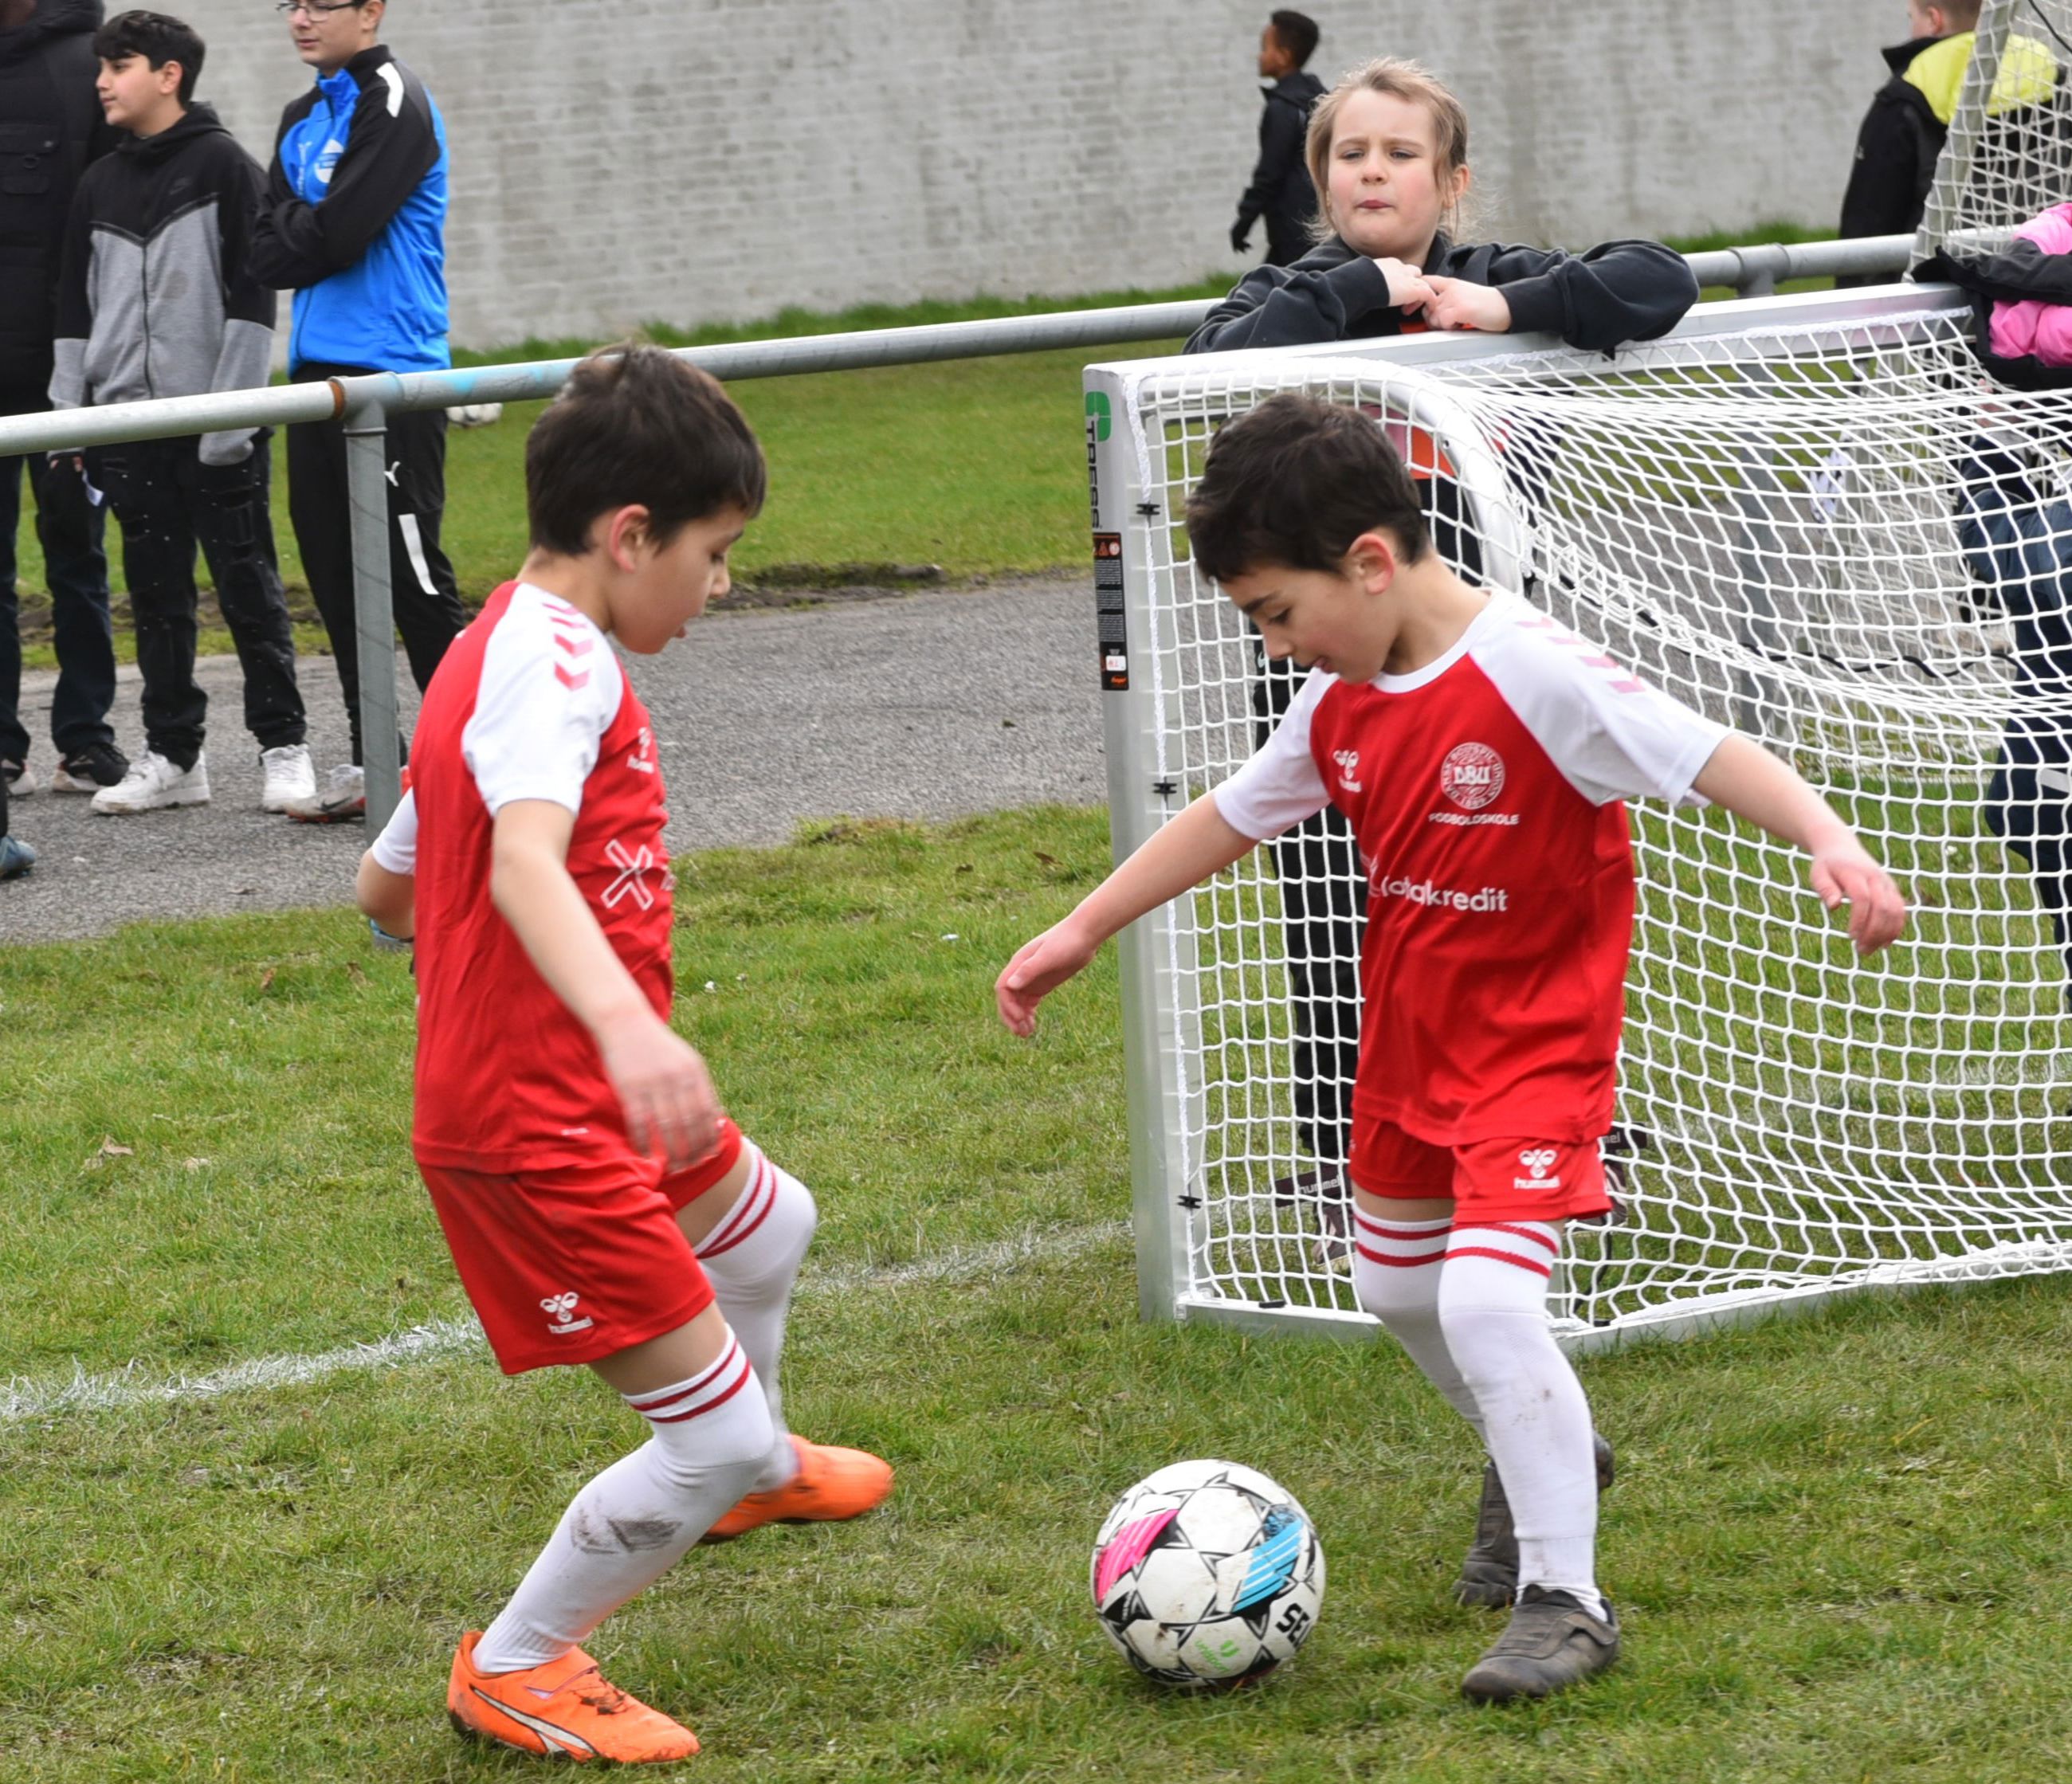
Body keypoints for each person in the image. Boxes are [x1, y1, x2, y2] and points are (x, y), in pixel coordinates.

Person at [995, 394, 1907, 1702]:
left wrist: (1831, 839)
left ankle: (1565, 1597)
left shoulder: (1535, 670)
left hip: (1538, 1049)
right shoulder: (1337, 700)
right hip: (1409, 1049)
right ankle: (1552, 1449)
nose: (1276, 641)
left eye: (1277, 610)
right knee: (1395, 1284)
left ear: (1371, 560)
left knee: (1486, 1302)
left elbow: (1707, 751)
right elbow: (1231, 814)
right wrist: (1082, 926)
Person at [355, 346, 893, 1764]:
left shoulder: (492, 645)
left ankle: (749, 1470)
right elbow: (525, 861)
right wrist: (625, 1026)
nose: (720, 585)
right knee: (703, 1434)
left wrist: (479, 942)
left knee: (771, 1223)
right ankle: (517, 1660)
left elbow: (387, 883)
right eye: (714, 554)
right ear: (631, 535)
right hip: (535, 1119)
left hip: (576, 1089)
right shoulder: (551, 664)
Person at [1188, 56, 1698, 1267]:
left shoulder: (1496, 277)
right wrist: (1357, 289)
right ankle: (1342, 1154)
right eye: (1350, 155)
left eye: (1401, 154)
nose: (1373, 172)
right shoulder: (1290, 293)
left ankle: (1554, 1136)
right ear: (1320, 179)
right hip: (1332, 689)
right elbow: (1210, 361)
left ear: (1452, 180)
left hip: (1492, 690)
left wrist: (1507, 311)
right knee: (1335, 908)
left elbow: (1658, 280)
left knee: (1515, 917)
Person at [48, 10, 313, 817]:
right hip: (126, 429)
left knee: (247, 590)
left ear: (170, 76)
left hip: (218, 433)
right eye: (102, 66)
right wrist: (68, 419)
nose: (102, 81)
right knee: (156, 597)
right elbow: (74, 308)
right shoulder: (98, 181)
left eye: (119, 65)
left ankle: (284, 748)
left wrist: (229, 425)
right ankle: (174, 756)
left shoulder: (225, 166)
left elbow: (251, 301)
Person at [250, 0, 468, 824]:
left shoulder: (395, 98)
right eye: (291, 4)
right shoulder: (300, 117)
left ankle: (473, 757)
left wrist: (307, 228)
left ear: (370, 11)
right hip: (316, 377)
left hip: (393, 370)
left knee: (411, 576)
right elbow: (266, 254)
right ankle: (377, 755)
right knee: (336, 573)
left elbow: (338, 234)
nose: (301, 19)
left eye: (321, 3)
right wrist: (310, 229)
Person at [0, 0, 125, 808]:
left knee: (77, 553)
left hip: (64, 374)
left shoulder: (86, 66)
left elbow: (111, 223)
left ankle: (85, 736)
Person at [1836, 0, 2059, 271]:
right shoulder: (2049, 79)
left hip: (1937, 282)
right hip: (2042, 275)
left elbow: (1870, 218)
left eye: (1912, 18)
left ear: (1934, 20)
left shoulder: (1904, 95)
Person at [1230, 10, 1324, 269]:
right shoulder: (1318, 99)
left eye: (1265, 49)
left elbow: (1270, 173)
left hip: (1292, 225)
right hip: (1316, 220)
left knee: (1283, 286)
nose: (1259, 56)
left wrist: (1244, 221)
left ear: (1283, 56)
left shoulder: (1283, 108)